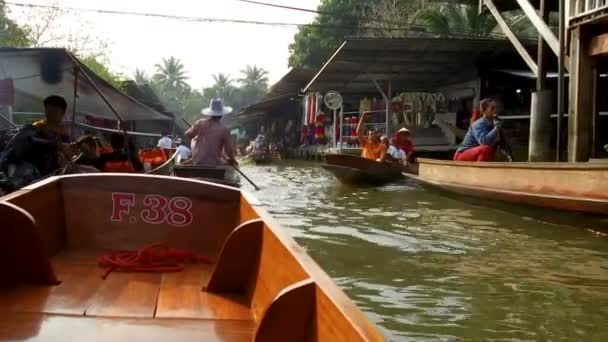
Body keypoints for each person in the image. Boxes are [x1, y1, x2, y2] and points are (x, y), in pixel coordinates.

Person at [0, 95, 71, 188]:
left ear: (62, 112)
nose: (49, 113)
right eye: (48, 110)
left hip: (49, 168)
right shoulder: (37, 127)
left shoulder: (64, 132)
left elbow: (65, 154)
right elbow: (22, 141)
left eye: (53, 111)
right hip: (31, 162)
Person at [184, 98, 237, 166]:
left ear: (210, 113)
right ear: (221, 115)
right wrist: (233, 161)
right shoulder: (224, 130)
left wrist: (194, 129)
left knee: (194, 140)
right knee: (194, 140)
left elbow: (187, 134)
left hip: (198, 163)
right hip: (215, 164)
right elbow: (229, 151)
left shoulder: (200, 123)